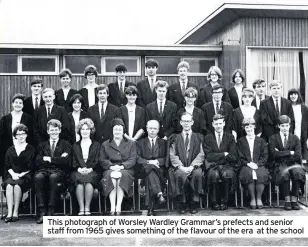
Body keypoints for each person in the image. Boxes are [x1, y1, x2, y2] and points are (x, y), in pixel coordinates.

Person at [34, 119, 72, 224]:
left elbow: (65, 161)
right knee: (38, 177)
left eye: (56, 130)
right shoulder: (42, 145)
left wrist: (49, 159)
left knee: (53, 177)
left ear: (59, 130)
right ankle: (42, 211)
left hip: (59, 172)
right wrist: (57, 159)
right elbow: (38, 161)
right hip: (44, 170)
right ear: (48, 131)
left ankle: (51, 210)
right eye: (51, 130)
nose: (54, 132)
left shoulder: (66, 144)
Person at [169, 112, 205, 214]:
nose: (186, 123)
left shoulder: (199, 137)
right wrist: (181, 167)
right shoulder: (175, 138)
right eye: (184, 121)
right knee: (180, 175)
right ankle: (182, 202)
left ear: (192, 122)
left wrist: (192, 166)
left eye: (188, 121)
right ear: (180, 122)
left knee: (197, 174)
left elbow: (201, 154)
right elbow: (172, 154)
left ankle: (194, 202)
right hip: (179, 167)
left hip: (194, 166)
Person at [99, 118, 137, 215]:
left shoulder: (131, 143)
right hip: (110, 169)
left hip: (126, 169)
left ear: (123, 131)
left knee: (121, 176)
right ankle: (112, 206)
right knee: (112, 176)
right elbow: (102, 159)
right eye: (115, 129)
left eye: (120, 129)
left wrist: (122, 166)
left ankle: (118, 206)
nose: (117, 131)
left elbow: (132, 159)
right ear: (112, 130)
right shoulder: (105, 144)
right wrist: (111, 166)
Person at [268, 115, 305, 210]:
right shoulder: (273, 138)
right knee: (285, 174)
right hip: (279, 164)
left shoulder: (295, 138)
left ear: (289, 126)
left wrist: (280, 153)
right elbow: (273, 154)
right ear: (279, 126)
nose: (285, 128)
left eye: (286, 125)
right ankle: (287, 200)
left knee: (298, 173)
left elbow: (297, 155)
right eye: (282, 126)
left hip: (293, 163)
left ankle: (294, 199)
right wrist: (289, 152)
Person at [203, 114, 237, 210]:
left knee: (227, 174)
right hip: (212, 166)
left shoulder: (230, 137)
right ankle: (214, 201)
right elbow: (209, 157)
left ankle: (224, 201)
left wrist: (217, 156)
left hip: (227, 165)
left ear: (224, 124)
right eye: (216, 124)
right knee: (213, 175)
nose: (218, 126)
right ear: (213, 124)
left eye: (220, 123)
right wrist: (224, 154)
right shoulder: (208, 138)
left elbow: (233, 156)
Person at [1, 124, 35, 223]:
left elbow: (32, 166)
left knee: (16, 186)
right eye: (18, 134)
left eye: (23, 134)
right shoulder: (10, 149)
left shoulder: (31, 149)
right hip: (12, 175)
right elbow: (7, 166)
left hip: (26, 176)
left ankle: (16, 212)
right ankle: (9, 213)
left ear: (26, 135)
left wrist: (21, 175)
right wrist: (13, 174)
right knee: (9, 186)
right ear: (15, 136)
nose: (21, 136)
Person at [70, 118, 101, 215]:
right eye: (82, 129)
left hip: (92, 170)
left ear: (91, 131)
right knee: (79, 181)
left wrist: (90, 168)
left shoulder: (96, 145)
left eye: (87, 129)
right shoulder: (75, 145)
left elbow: (97, 160)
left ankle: (87, 207)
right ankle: (81, 208)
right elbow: (73, 160)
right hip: (78, 171)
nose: (85, 131)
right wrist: (79, 169)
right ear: (79, 131)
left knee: (88, 181)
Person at [136, 120, 167, 216]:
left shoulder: (164, 143)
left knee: (151, 174)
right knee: (150, 169)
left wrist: (157, 162)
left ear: (158, 130)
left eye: (154, 128)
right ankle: (159, 194)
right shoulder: (140, 143)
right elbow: (137, 158)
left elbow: (166, 158)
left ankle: (149, 207)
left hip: (159, 170)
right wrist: (149, 162)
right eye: (150, 128)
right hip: (144, 169)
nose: (152, 130)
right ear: (146, 128)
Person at [237, 118, 269, 209]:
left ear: (254, 127)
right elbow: (239, 156)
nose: (249, 129)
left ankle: (259, 198)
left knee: (261, 173)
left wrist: (257, 164)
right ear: (244, 128)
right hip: (246, 165)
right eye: (247, 127)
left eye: (251, 126)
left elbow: (265, 155)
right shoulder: (240, 141)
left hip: (259, 164)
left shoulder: (261, 141)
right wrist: (248, 163)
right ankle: (252, 198)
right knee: (248, 173)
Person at [0, 94, 33, 178]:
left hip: (24, 150)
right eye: (16, 102)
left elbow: (31, 134)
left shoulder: (28, 118)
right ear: (12, 104)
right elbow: (2, 135)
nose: (18, 104)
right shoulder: (5, 119)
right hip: (8, 148)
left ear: (23, 105)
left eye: (20, 103)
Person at [287, 88, 308, 161]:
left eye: (295, 94)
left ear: (298, 95)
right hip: (291, 132)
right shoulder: (287, 107)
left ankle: (303, 168)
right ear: (289, 96)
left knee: (302, 152)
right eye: (291, 94)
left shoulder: (304, 108)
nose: (293, 96)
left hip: (302, 133)